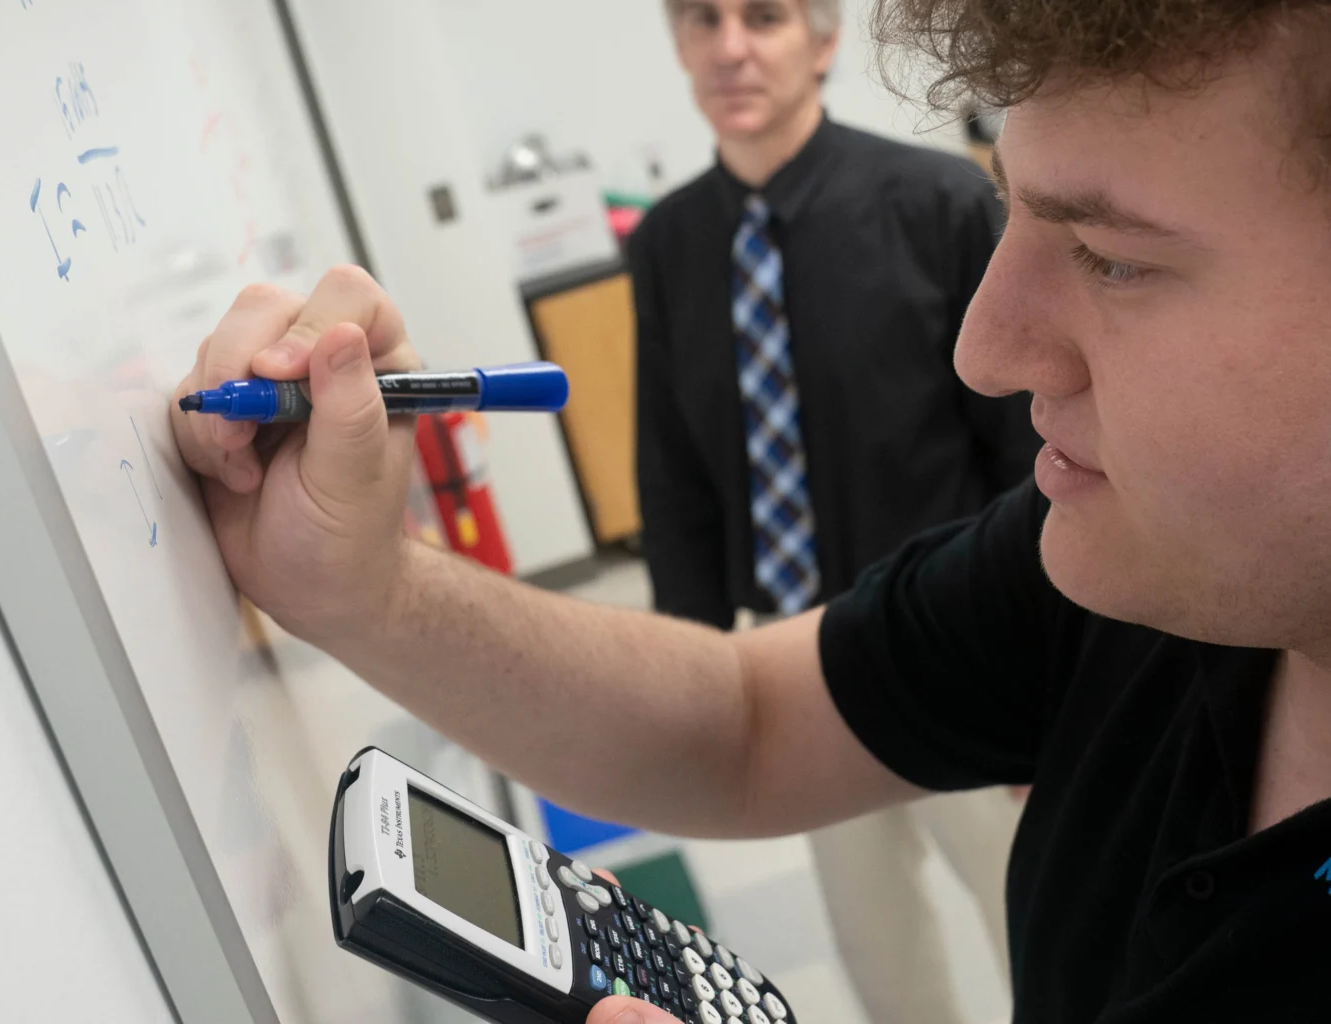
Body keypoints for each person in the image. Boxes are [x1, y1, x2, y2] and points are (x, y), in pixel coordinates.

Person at [171, 0, 1331, 1018]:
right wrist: (362, 581)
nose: (984, 349)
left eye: (1111, 257)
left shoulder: (925, 216)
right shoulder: (1119, 573)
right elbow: (746, 723)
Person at [632, 1, 1037, 1017]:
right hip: (796, 655)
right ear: (679, 45)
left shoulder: (940, 203)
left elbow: (1023, 450)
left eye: (763, 17)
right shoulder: (670, 242)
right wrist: (690, 665)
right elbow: (672, 463)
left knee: (1028, 911)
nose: (730, 45)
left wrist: (1052, 668)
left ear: (820, 43)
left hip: (960, 636)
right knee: (875, 942)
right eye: (701, 19)